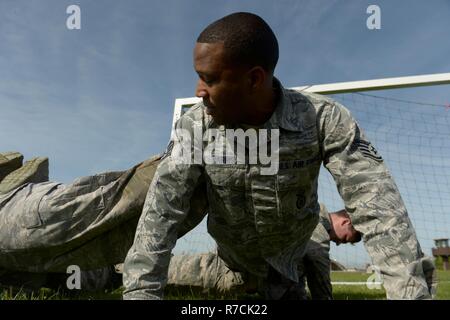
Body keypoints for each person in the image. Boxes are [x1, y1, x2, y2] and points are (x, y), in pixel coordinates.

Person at [122, 12, 434, 300]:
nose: (199, 90)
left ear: (254, 79)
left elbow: (379, 210)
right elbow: (160, 216)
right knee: (126, 274)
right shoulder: (195, 126)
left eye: (211, 78)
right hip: (226, 270)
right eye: (199, 76)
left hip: (286, 277)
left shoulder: (323, 119)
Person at [167, 204, 361, 300]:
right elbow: (318, 264)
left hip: (248, 271)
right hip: (237, 272)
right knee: (168, 275)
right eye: (344, 239)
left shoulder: (312, 220)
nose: (337, 243)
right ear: (346, 221)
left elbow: (296, 271)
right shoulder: (316, 218)